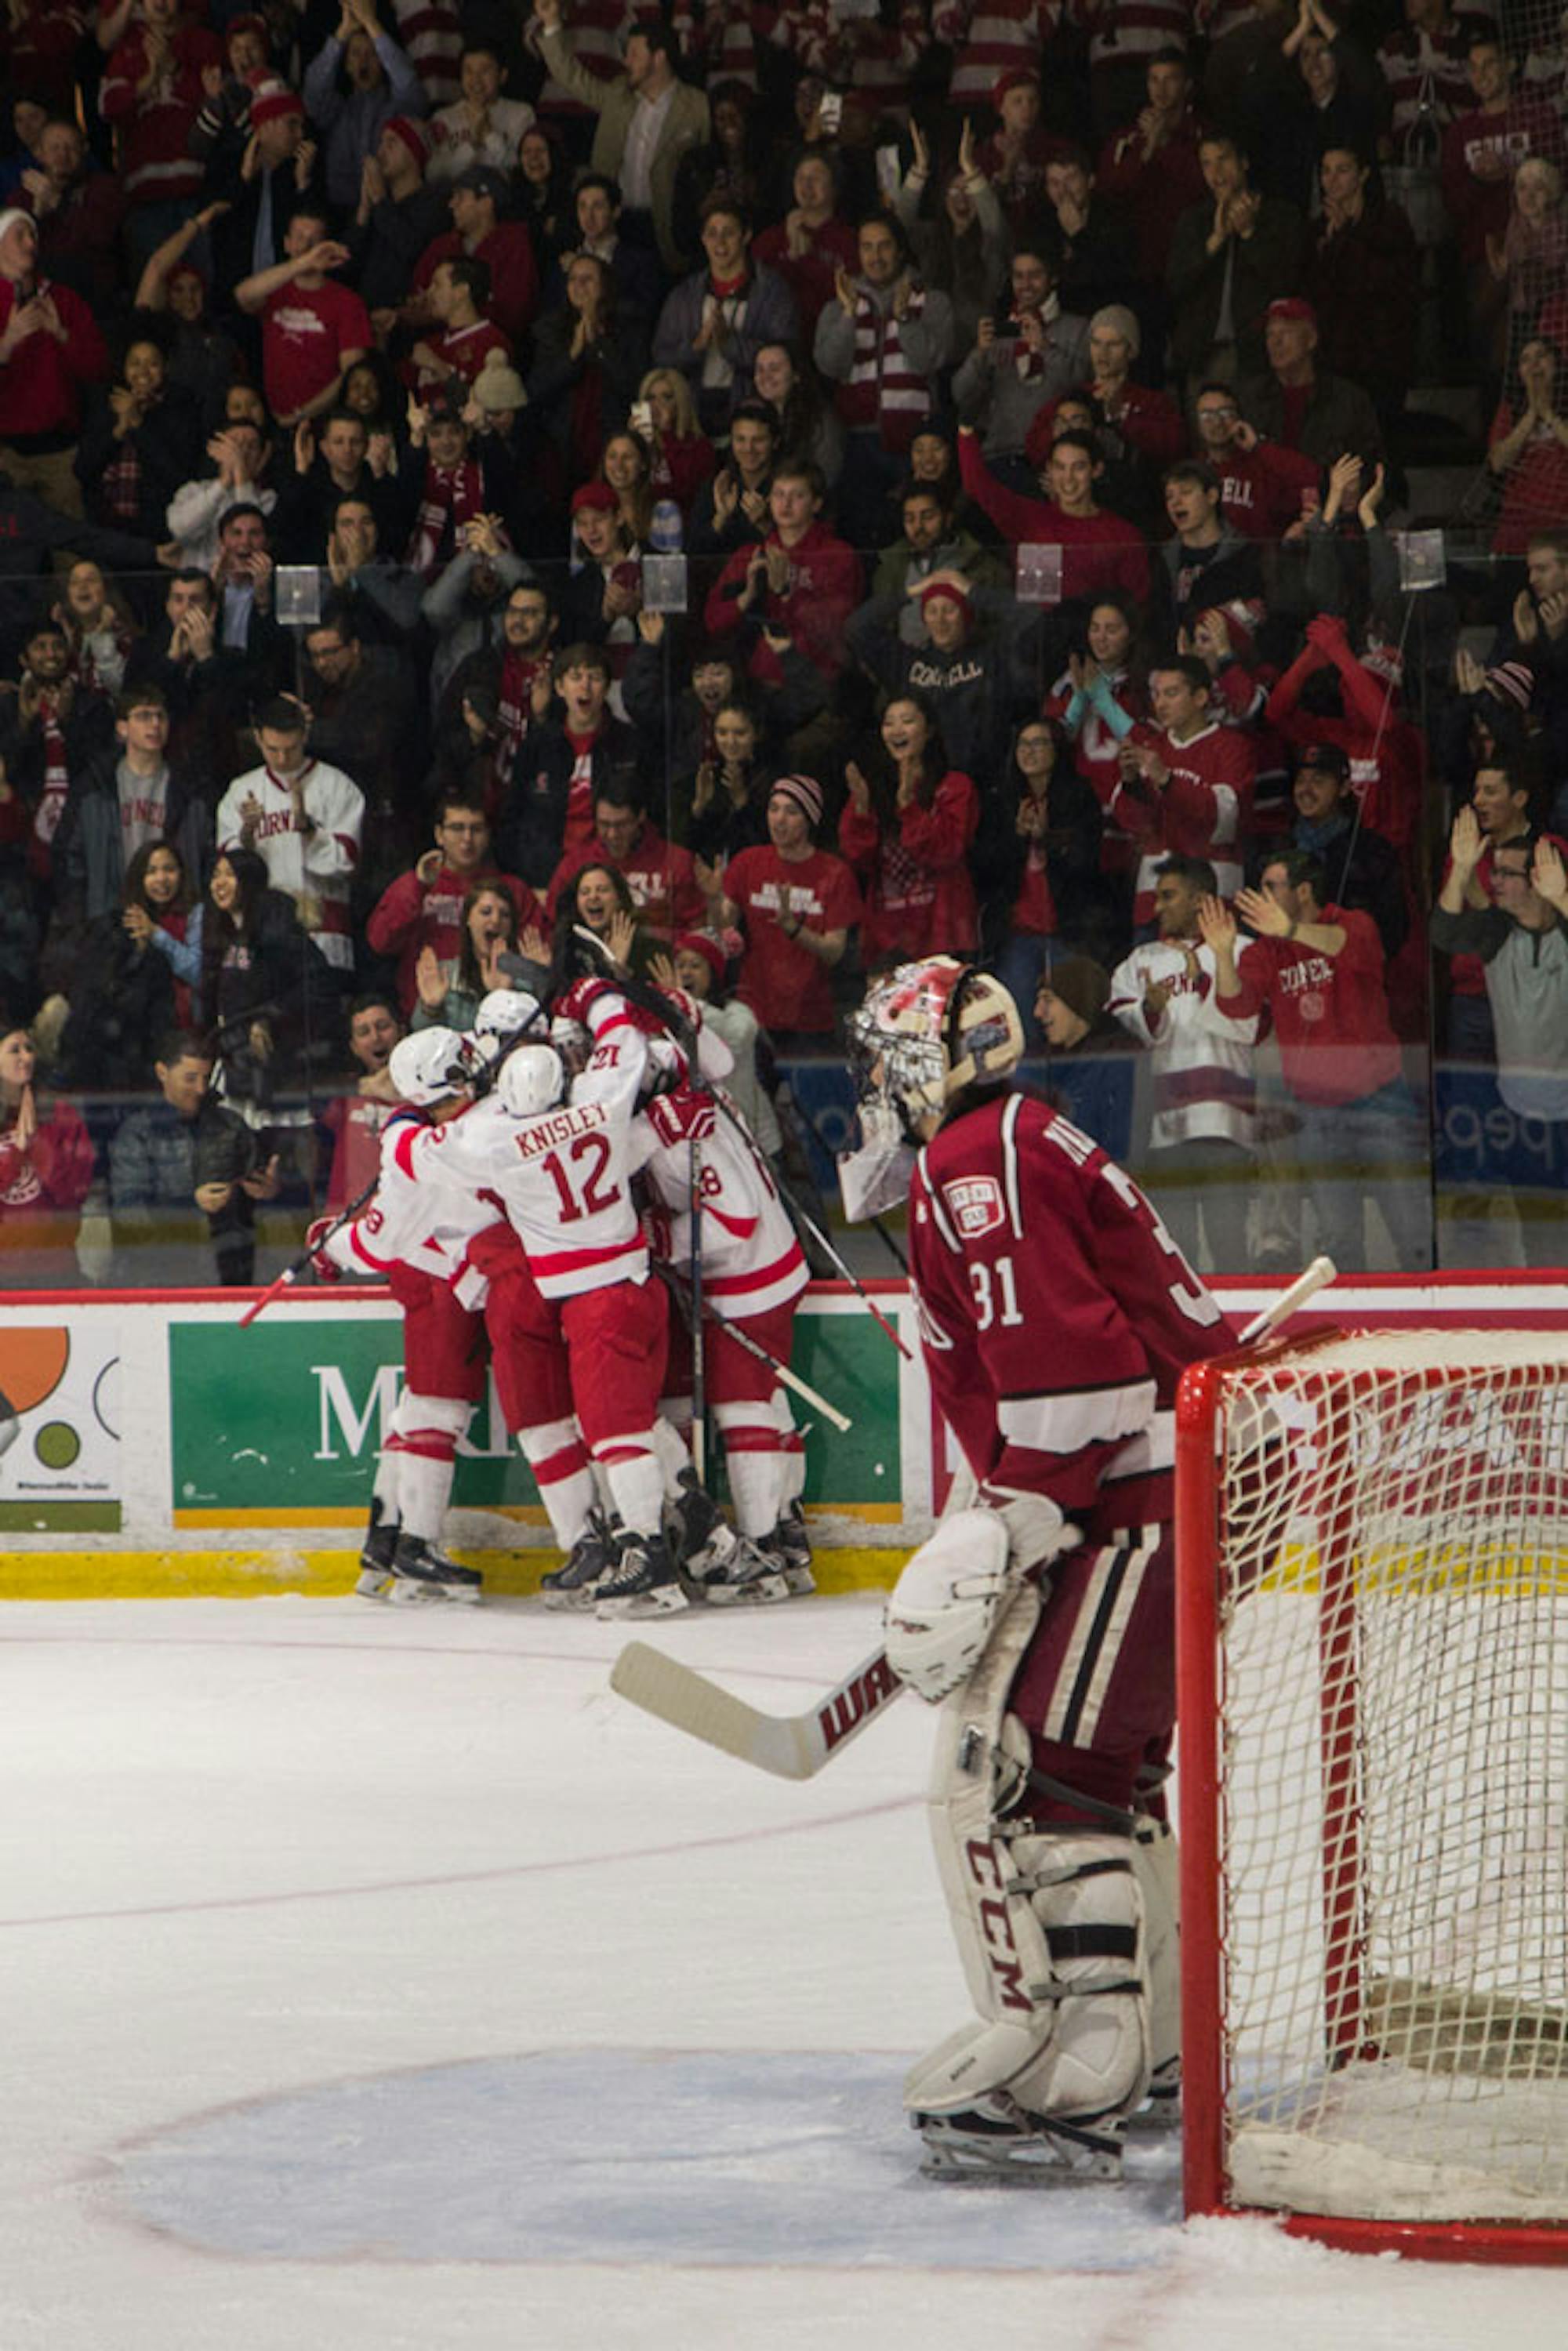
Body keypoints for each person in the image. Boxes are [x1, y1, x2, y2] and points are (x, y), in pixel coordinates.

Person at [841, 955, 1234, 2180]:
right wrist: (1005, 1508)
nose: (873, 1083)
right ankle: (1159, 2043)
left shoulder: (978, 1159)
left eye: (887, 1057)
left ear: (932, 1057)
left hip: (1133, 1492)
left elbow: (1084, 1379)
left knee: (1048, 1772)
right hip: (1153, 1486)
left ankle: (1087, 2067)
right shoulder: (1007, 1138)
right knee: (1107, 1771)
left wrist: (1013, 1522)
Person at [1200, 851, 1429, 1271]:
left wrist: (1289, 930)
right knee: (1339, 1239)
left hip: (1381, 1098)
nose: (1262, 897)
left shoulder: (1353, 923)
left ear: (1303, 890)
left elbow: (1347, 946)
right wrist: (1222, 953)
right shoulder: (1266, 950)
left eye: (1271, 887)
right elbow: (1236, 1005)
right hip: (1315, 1108)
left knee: (1411, 1226)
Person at [1108, 854, 1259, 1273]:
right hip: (1168, 1129)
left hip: (1227, 1125)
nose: (1157, 907)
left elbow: (1250, 1024)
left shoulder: (1243, 951)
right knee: (1176, 1255)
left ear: (1199, 900)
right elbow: (1127, 1019)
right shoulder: (1142, 961)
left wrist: (1204, 980)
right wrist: (1151, 1009)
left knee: (1229, 1246)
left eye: (1168, 896)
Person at [1431, 815, 1568, 1265]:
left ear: (1539, 879)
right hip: (1523, 1115)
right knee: (1541, 1236)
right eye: (1496, 871)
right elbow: (1443, 932)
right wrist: (1461, 870)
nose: (1496, 881)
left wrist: (1562, 898)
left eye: (1507, 873)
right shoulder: (1496, 932)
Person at [107, 1028, 278, 1286]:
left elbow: (263, 1209)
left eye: (206, 1078)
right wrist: (190, 1204)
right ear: (162, 1072)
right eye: (190, 1078)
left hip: (231, 1272)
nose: (200, 1088)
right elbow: (129, 1217)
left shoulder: (230, 1125)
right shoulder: (138, 1133)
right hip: (161, 1275)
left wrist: (267, 1191)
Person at [704, 774, 862, 1049]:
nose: (779, 820)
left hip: (811, 1018)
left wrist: (793, 928)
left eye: (791, 812)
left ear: (809, 819)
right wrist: (714, 898)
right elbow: (722, 926)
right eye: (774, 809)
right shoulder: (748, 862)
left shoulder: (835, 873)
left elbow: (835, 951)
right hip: (754, 1013)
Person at [214, 699, 365, 977]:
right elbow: (228, 875)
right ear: (258, 738)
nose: (282, 759)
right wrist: (247, 834)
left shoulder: (337, 786)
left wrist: (308, 829)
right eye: (273, 749)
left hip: (325, 933)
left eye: (291, 748)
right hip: (262, 936)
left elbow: (346, 863)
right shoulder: (240, 791)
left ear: (305, 735)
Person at [839, 698, 980, 963]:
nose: (897, 730)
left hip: (942, 934)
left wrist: (908, 807)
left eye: (907, 721)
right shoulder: (873, 788)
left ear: (929, 731)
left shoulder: (956, 786)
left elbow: (946, 853)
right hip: (887, 939)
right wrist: (861, 810)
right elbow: (859, 860)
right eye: (888, 723)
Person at [0, 1019, 95, 1287]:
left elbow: (74, 1192)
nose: (27, 1057)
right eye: (15, 1050)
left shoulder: (60, 1114)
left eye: (30, 1048)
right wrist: (18, 1153)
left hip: (55, 1269)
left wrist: (37, 1149)